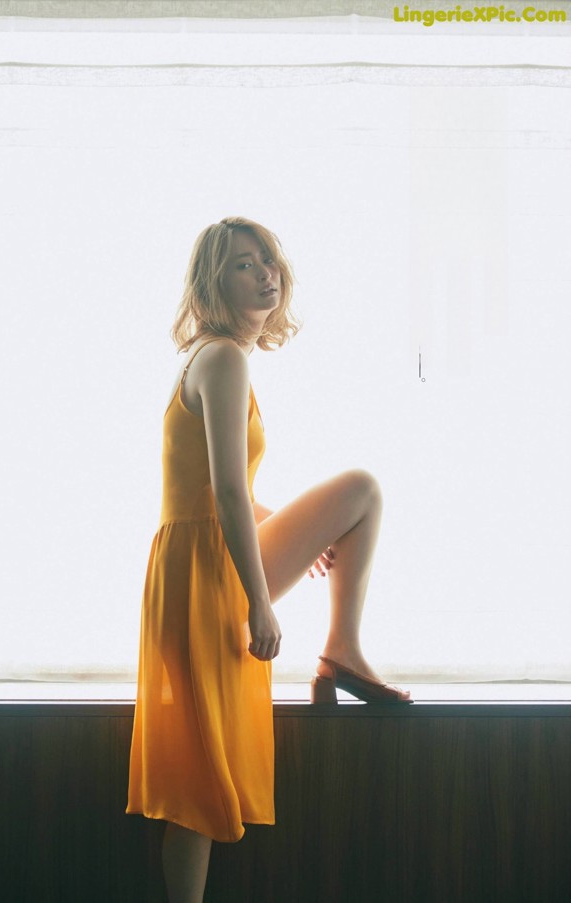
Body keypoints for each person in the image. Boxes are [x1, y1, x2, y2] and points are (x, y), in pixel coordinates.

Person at [126, 215, 412, 903]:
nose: (265, 274)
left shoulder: (211, 358)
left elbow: (222, 489)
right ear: (213, 284)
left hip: (188, 567)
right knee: (364, 490)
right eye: (244, 265)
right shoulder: (223, 357)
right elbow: (222, 491)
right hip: (207, 571)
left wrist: (285, 529)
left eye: (267, 261)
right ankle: (341, 649)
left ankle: (341, 651)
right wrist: (259, 597)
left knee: (199, 780)